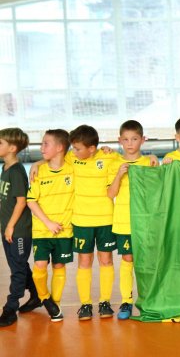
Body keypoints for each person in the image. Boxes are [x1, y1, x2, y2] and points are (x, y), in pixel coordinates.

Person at [65, 125, 119, 320]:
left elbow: (130, 163)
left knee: (106, 260)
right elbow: (51, 160)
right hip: (81, 220)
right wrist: (37, 164)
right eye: (73, 148)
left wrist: (153, 159)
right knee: (84, 261)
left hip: (105, 219)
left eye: (78, 148)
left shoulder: (109, 157)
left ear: (92, 148)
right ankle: (85, 304)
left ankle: (105, 301)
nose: (74, 152)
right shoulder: (71, 157)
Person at [26, 129, 74, 322]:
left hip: (64, 230)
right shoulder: (39, 172)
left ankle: (56, 305)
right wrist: (48, 222)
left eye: (46, 143)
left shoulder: (72, 165)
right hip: (42, 229)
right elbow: (31, 201)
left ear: (60, 147)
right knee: (39, 266)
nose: (41, 147)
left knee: (59, 265)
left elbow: (87, 152)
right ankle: (45, 299)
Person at [107, 120, 152, 319]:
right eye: (125, 139)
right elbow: (111, 193)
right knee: (127, 259)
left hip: (145, 222)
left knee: (145, 261)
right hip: (124, 221)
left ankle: (148, 299)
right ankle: (126, 301)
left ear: (142, 140)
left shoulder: (148, 162)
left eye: (134, 139)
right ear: (120, 140)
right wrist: (119, 175)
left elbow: (155, 191)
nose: (130, 143)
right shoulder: (114, 163)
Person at [0, 128, 38, 327]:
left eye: (0, 143)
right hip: (7, 228)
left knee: (17, 269)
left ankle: (10, 308)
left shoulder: (16, 171)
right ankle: (36, 294)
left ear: (12, 148)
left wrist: (10, 226)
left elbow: (21, 202)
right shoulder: (5, 168)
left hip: (18, 231)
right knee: (19, 265)